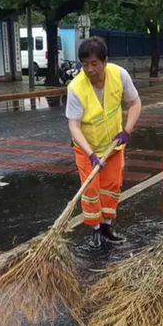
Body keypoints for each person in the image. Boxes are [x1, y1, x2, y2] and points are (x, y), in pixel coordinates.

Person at [66, 37, 143, 249]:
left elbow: (135, 102)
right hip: (87, 149)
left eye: (94, 64)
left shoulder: (119, 75)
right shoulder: (75, 88)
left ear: (105, 61)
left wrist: (127, 130)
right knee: (91, 191)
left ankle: (108, 228)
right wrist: (91, 154)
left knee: (111, 188)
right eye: (84, 64)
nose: (89, 69)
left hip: (113, 147)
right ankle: (95, 231)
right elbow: (74, 125)